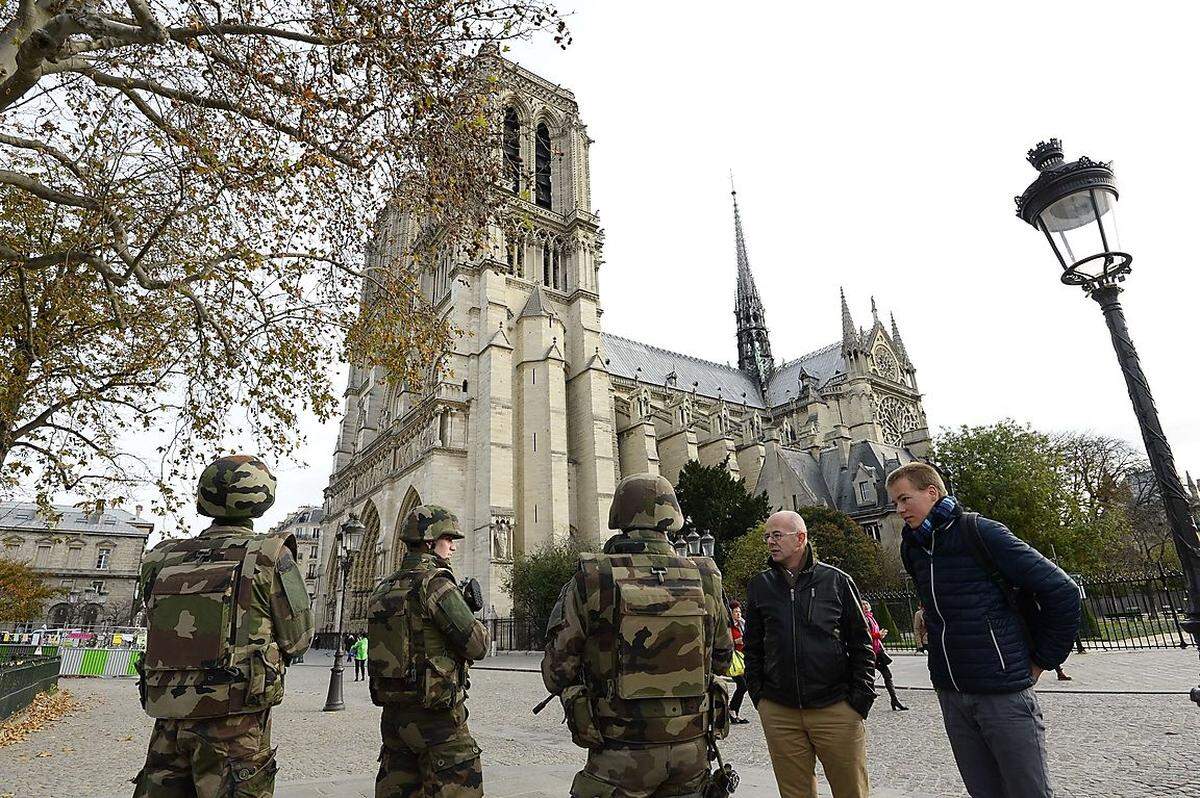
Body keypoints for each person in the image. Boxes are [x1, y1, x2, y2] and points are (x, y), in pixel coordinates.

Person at [887, 462, 1082, 798]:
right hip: (952, 691)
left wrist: (1042, 660)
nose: (899, 510)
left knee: (1028, 791)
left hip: (1001, 690)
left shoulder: (980, 531)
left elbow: (1063, 590)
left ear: (932, 493)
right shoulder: (913, 547)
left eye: (904, 499)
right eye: (895, 503)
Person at [542, 473, 734, 798]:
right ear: (671, 516)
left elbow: (557, 670)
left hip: (620, 751)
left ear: (619, 515)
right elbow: (724, 658)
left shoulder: (594, 576)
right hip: (692, 750)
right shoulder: (705, 576)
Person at [133, 455, 312, 798]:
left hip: (170, 714)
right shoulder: (269, 555)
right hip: (235, 719)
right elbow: (299, 638)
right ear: (262, 499)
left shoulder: (160, 557)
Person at [743, 510, 875, 798]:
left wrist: (859, 700)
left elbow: (861, 643)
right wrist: (760, 696)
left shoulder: (836, 581)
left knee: (851, 790)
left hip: (835, 706)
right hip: (780, 709)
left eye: (777, 535)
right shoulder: (760, 586)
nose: (770, 542)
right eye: (767, 536)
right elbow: (751, 645)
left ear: (800, 538)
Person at [367, 505, 489, 798]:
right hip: (436, 718)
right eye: (449, 539)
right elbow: (478, 645)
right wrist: (467, 610)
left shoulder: (384, 588)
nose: (454, 547)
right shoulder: (434, 583)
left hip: (394, 717)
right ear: (430, 541)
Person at [861, 600, 908, 712]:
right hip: (870, 652)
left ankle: (894, 699)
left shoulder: (871, 618)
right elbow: (864, 634)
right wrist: (878, 635)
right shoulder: (864, 619)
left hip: (877, 651)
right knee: (868, 678)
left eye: (867, 604)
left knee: (887, 675)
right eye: (863, 605)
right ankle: (866, 701)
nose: (866, 606)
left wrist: (880, 635)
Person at [728, 601, 750, 725]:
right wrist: (739, 640)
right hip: (733, 659)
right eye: (735, 611)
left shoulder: (741, 624)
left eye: (739, 611)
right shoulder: (728, 626)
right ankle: (731, 710)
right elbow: (729, 641)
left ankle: (734, 712)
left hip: (742, 658)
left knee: (743, 686)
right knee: (742, 685)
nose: (738, 614)